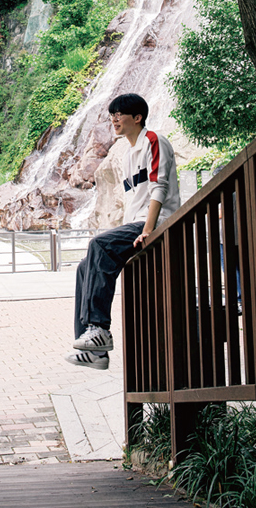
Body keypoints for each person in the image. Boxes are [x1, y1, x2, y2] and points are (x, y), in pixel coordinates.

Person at [66, 93, 179, 370]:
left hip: (157, 221)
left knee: (99, 245)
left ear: (137, 117)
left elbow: (159, 187)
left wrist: (149, 229)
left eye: (120, 114)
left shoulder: (153, 140)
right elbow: (133, 203)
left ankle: (99, 329)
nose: (114, 119)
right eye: (112, 115)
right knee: (85, 267)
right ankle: (93, 350)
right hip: (137, 224)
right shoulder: (128, 155)